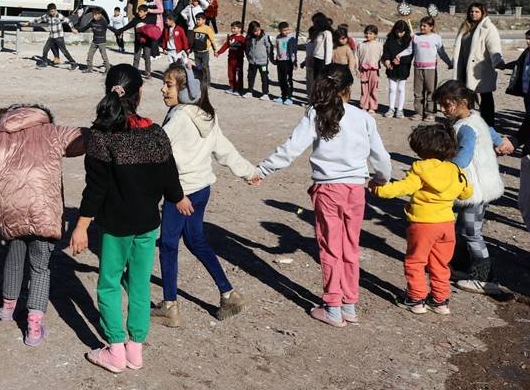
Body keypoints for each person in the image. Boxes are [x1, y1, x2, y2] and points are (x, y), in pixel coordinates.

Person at [250, 66, 392, 327]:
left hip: (328, 190)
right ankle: (349, 304)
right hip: (356, 190)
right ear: (349, 88)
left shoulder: (316, 114)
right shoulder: (363, 118)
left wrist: (262, 170)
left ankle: (333, 307)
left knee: (330, 248)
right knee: (350, 247)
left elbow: (291, 149)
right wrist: (382, 178)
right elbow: (381, 157)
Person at [68, 64, 184, 374]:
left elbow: (96, 189)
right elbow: (169, 176)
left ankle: (115, 349)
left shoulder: (101, 136)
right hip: (148, 223)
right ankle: (136, 350)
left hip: (116, 226)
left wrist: (81, 226)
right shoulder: (155, 132)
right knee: (140, 284)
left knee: (108, 283)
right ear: (139, 94)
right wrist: (178, 198)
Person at [0, 104, 82, 346]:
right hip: (44, 210)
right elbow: (85, 138)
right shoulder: (53, 131)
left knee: (14, 256)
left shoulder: (1, 136)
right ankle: (33, 327)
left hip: (10, 209)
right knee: (41, 268)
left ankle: (7, 309)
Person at [152, 64, 253, 327]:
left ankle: (169, 305)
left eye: (169, 85)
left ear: (188, 89)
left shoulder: (180, 117)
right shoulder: (207, 113)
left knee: (168, 245)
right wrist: (248, 171)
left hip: (181, 193)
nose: (163, 89)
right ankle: (228, 293)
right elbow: (224, 149)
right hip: (201, 190)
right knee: (196, 241)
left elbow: (154, 151)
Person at [370, 123, 471, 315]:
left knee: (416, 261)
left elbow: (404, 187)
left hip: (423, 224)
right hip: (447, 224)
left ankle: (416, 299)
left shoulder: (420, 168)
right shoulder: (455, 169)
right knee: (440, 263)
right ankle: (440, 300)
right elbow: (466, 193)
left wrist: (379, 189)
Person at [434, 80, 514, 295]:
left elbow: (464, 156)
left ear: (463, 102)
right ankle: (462, 266)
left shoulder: (465, 127)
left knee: (471, 232)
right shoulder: (475, 118)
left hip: (474, 188)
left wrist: (444, 171)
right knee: (464, 228)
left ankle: (484, 277)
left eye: (447, 105)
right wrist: (500, 142)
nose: (444, 109)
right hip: (481, 186)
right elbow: (491, 132)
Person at [453, 2, 505, 126]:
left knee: (486, 96)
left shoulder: (488, 28)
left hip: (481, 68)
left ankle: (489, 124)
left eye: (477, 12)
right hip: (465, 67)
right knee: (466, 95)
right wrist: (454, 62)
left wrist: (498, 60)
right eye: (471, 11)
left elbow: (494, 46)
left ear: (483, 13)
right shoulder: (465, 27)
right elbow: (459, 48)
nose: (473, 14)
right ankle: (467, 121)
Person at [403, 16, 452, 120]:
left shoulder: (436, 38)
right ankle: (418, 113)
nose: (422, 27)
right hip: (417, 68)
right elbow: (409, 50)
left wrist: (449, 63)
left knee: (431, 91)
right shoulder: (415, 37)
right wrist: (398, 55)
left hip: (431, 69)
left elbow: (441, 52)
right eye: (421, 25)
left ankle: (430, 113)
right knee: (418, 92)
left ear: (431, 27)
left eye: (424, 26)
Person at [29, 3, 78, 70]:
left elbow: (68, 21)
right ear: (48, 11)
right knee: (45, 49)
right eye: (51, 11)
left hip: (59, 37)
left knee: (64, 51)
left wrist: (72, 28)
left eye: (53, 11)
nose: (52, 13)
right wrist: (29, 23)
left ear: (55, 10)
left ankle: (74, 64)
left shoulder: (59, 16)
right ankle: (44, 63)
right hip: (52, 36)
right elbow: (38, 19)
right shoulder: (47, 16)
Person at [382, 20, 413, 119]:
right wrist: (386, 60)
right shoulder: (390, 39)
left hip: (403, 67)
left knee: (401, 89)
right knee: (392, 88)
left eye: (402, 32)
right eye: (397, 31)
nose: (399, 34)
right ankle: (391, 108)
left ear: (405, 31)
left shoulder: (409, 40)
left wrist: (400, 60)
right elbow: (385, 51)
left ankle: (400, 109)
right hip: (391, 67)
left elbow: (410, 54)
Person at [507, 28, 530, 148]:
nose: (528, 41)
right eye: (527, 39)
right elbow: (518, 64)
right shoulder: (526, 52)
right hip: (526, 91)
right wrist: (505, 65)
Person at [305, 13, 335, 103]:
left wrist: (327, 65)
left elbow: (328, 50)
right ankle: (317, 100)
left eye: (314, 22)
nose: (313, 24)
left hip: (322, 61)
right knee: (316, 82)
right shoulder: (319, 33)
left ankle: (323, 100)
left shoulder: (327, 33)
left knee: (322, 82)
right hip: (316, 60)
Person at [356, 25, 384, 113]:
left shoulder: (379, 45)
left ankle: (372, 106)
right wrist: (357, 69)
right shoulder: (361, 45)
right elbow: (356, 57)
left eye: (370, 33)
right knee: (364, 88)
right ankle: (364, 105)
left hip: (374, 70)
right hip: (363, 70)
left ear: (375, 35)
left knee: (373, 88)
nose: (368, 35)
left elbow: (382, 57)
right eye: (366, 33)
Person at [77, 6, 113, 74]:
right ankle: (89, 68)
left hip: (102, 42)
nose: (94, 16)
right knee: (90, 54)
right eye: (93, 14)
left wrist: (118, 32)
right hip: (94, 41)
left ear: (100, 15)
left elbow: (111, 28)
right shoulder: (92, 22)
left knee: (104, 56)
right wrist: (77, 30)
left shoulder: (103, 22)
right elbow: (84, 28)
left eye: (96, 14)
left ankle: (108, 69)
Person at [244, 21, 274, 99]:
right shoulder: (249, 38)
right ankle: (250, 91)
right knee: (250, 77)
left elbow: (269, 48)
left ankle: (265, 93)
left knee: (264, 77)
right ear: (251, 31)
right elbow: (247, 48)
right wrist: (248, 57)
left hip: (263, 63)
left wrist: (271, 58)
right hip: (252, 62)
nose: (257, 32)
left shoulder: (265, 37)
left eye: (258, 30)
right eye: (254, 31)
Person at [216, 21, 247, 95]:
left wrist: (250, 57)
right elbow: (225, 46)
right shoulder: (230, 37)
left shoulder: (243, 39)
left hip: (238, 60)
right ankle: (232, 87)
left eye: (234, 28)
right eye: (232, 28)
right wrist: (218, 52)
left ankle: (239, 89)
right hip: (230, 59)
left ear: (240, 29)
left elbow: (246, 48)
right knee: (230, 74)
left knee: (238, 74)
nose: (232, 30)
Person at [273, 21, 298, 105]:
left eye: (287, 29)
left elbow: (294, 51)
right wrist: (277, 56)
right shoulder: (278, 37)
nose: (286, 31)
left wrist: (295, 62)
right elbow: (277, 48)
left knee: (288, 79)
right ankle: (283, 95)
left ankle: (289, 97)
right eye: (284, 30)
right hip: (280, 61)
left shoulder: (291, 38)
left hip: (288, 61)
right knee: (281, 79)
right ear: (280, 30)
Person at [190, 13, 217, 86]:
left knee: (205, 67)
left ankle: (207, 82)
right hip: (196, 52)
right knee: (198, 67)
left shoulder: (207, 29)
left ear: (204, 20)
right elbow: (192, 39)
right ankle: (199, 80)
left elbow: (212, 40)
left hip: (204, 53)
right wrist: (190, 48)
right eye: (196, 20)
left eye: (199, 20)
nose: (197, 21)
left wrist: (215, 50)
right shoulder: (195, 28)